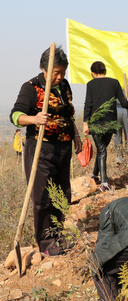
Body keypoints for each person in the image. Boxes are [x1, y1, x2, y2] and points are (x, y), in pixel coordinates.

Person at [10, 46, 82, 255]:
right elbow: (15, 115)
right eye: (55, 72)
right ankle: (46, 243)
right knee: (43, 197)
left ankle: (58, 235)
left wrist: (75, 135)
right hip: (41, 149)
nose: (59, 77)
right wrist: (33, 119)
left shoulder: (65, 86)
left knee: (62, 194)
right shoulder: (31, 87)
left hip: (63, 148)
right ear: (43, 69)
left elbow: (68, 114)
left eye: (62, 72)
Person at [83, 61, 128, 192]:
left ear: (93, 73)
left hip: (96, 123)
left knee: (101, 150)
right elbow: (124, 103)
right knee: (102, 150)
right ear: (105, 71)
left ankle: (102, 182)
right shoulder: (114, 82)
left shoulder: (91, 84)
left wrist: (85, 123)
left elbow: (88, 104)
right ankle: (96, 176)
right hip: (110, 122)